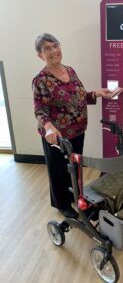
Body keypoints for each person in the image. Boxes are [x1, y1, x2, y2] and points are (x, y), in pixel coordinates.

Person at [32, 33, 111, 219]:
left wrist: (97, 94)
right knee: (58, 171)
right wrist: (49, 127)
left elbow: (79, 97)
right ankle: (62, 204)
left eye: (55, 45)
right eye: (47, 49)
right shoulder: (41, 79)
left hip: (77, 132)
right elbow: (39, 110)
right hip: (57, 138)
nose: (53, 51)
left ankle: (76, 197)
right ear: (40, 55)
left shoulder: (70, 70)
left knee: (74, 169)